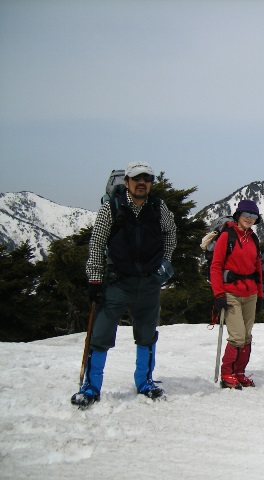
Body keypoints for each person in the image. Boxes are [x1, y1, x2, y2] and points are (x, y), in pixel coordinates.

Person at [71, 161, 177, 407]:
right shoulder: (112, 207)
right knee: (102, 332)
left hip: (149, 280)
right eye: (137, 178)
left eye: (147, 179)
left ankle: (144, 381)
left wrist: (166, 260)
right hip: (117, 280)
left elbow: (171, 232)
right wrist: (95, 279)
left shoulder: (158, 208)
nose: (142, 183)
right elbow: (97, 243)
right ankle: (91, 386)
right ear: (127, 181)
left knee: (147, 334)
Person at [210, 199, 264, 389]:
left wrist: (260, 295)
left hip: (250, 293)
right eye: (246, 215)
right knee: (238, 336)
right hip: (230, 292)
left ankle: (239, 372)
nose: (249, 219)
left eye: (254, 216)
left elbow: (257, 268)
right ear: (238, 215)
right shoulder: (227, 236)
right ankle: (227, 374)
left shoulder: (254, 239)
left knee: (247, 336)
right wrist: (218, 294)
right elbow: (216, 266)